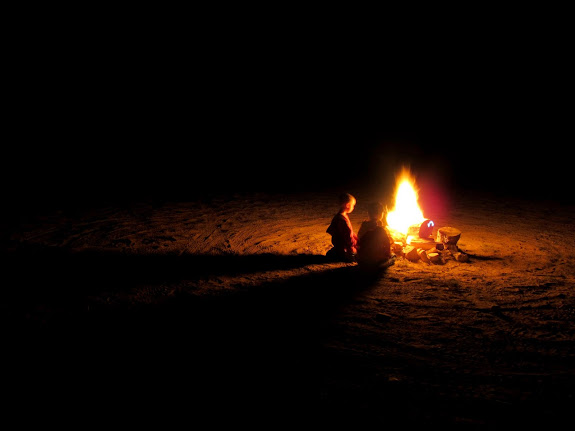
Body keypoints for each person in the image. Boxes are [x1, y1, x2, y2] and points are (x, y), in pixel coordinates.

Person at [356, 201, 394, 270]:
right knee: (393, 257)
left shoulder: (363, 226)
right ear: (380, 214)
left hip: (362, 260)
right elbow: (387, 244)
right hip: (376, 261)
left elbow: (358, 239)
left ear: (369, 213)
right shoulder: (380, 230)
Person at [326, 192, 358, 262]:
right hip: (345, 247)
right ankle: (345, 255)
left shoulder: (339, 216)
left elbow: (350, 233)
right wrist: (356, 244)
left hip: (339, 245)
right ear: (347, 205)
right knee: (357, 253)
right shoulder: (343, 220)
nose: (353, 207)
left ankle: (337, 253)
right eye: (353, 205)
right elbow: (348, 237)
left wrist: (357, 238)